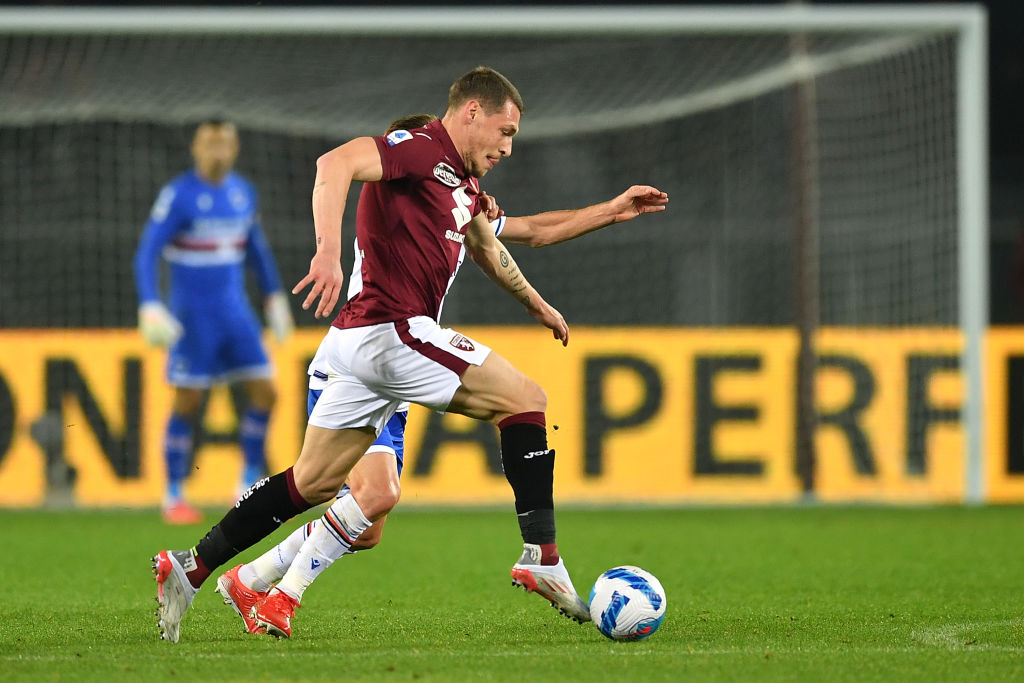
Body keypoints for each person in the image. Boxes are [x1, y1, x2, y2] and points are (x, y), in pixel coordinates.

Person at [152, 66, 617, 644]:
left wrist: (607, 215)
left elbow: (522, 235)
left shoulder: (461, 188)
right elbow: (334, 164)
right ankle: (541, 556)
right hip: (390, 328)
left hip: (359, 345)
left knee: (314, 483)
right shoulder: (420, 148)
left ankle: (191, 567)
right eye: (506, 130)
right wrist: (327, 252)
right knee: (526, 401)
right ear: (473, 111)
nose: (508, 146)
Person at [133, 119, 294, 525]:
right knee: (187, 403)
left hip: (236, 314)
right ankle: (173, 495)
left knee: (267, 394)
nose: (218, 151)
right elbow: (146, 253)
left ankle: (245, 483)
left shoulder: (243, 192)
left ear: (235, 148)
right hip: (192, 319)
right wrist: (151, 303)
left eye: (224, 143)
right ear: (196, 147)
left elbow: (256, 249)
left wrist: (274, 298)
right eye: (210, 143)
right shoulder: (179, 195)